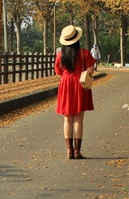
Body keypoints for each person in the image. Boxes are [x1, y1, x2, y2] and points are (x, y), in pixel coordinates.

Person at [55, 24, 95, 160]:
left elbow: (58, 72)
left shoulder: (61, 55)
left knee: (67, 119)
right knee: (79, 119)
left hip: (65, 84)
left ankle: (69, 150)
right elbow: (90, 71)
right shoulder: (85, 53)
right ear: (77, 39)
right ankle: (77, 150)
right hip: (80, 84)